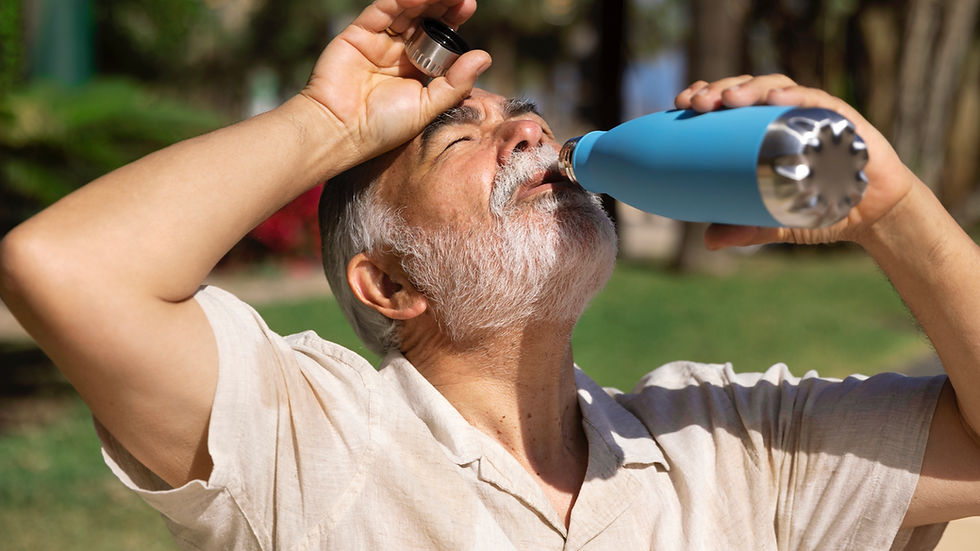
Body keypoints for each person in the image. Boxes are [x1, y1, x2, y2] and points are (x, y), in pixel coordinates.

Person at [1, 0, 979, 548]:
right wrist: (329, 124)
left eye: (523, 116)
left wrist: (891, 214)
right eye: (458, 136)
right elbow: (65, 267)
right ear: (388, 284)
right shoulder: (310, 443)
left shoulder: (727, 445)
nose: (529, 130)